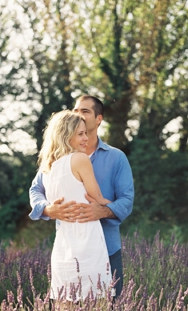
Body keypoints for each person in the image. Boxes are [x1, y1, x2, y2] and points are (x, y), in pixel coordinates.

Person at [29, 95, 134, 300]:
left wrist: (102, 211)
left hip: (106, 248)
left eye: (85, 111)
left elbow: (127, 200)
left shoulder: (116, 157)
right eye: (76, 111)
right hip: (69, 248)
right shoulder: (55, 159)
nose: (79, 115)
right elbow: (35, 190)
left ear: (99, 119)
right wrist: (49, 209)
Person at [34, 110, 113, 300]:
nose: (86, 138)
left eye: (86, 132)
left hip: (63, 247)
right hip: (88, 243)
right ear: (65, 135)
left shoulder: (47, 168)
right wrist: (113, 205)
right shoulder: (80, 159)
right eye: (80, 134)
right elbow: (98, 198)